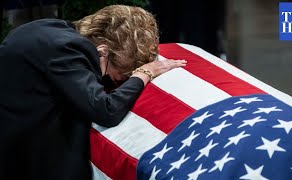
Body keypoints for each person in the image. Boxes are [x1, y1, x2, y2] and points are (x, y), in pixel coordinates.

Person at [0, 5, 186, 180]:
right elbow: (106, 110)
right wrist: (144, 73)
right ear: (103, 52)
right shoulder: (67, 49)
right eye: (117, 79)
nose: (108, 85)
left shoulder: (50, 29)